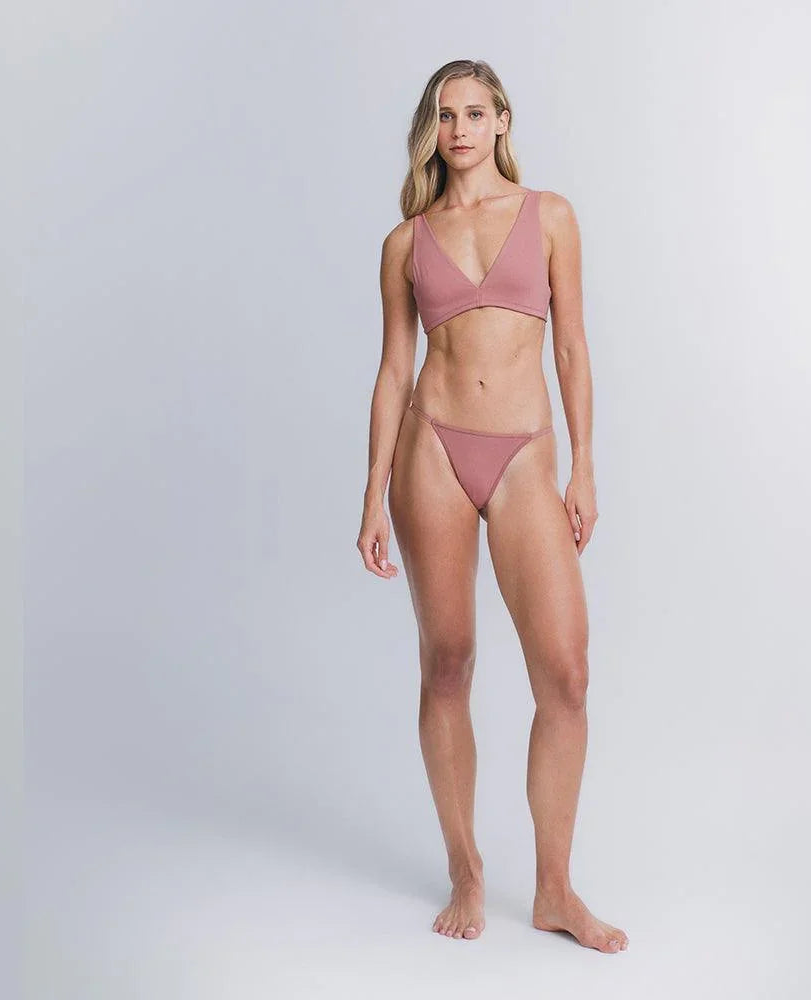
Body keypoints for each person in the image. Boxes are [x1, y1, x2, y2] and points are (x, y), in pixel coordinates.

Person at [357, 59, 628, 954]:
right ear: (430, 130)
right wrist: (371, 497)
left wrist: (584, 468)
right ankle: (466, 869)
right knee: (447, 663)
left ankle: (554, 890)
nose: (461, 130)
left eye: (475, 113)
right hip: (430, 450)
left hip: (523, 455)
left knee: (567, 677)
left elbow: (573, 348)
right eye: (446, 116)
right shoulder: (406, 243)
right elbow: (393, 370)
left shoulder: (550, 217)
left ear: (503, 120)